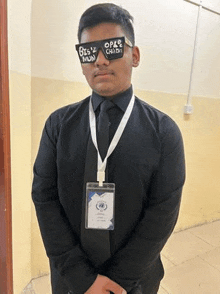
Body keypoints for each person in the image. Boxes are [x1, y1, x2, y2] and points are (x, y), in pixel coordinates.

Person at [32, 3, 185, 294]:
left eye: (113, 47)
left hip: (135, 281)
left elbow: (163, 212)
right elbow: (44, 198)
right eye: (89, 52)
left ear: (134, 55)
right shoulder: (58, 125)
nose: (100, 60)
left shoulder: (164, 132)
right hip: (71, 281)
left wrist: (120, 280)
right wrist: (82, 279)